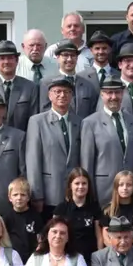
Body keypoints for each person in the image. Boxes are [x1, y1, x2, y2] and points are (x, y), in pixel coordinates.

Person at [80, 75, 133, 209]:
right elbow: (87, 162)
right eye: (109, 93)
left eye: (117, 92)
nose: (113, 97)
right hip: (104, 191)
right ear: (102, 95)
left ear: (123, 93)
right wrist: (89, 194)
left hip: (130, 192)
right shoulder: (90, 123)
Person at [25, 74, 84, 207]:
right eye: (57, 91)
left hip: (75, 194)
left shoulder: (80, 122)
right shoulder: (37, 122)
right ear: (49, 95)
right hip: (49, 193)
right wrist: (36, 194)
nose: (62, 95)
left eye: (67, 92)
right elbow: (33, 160)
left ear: (72, 96)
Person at [0, 40, 40, 131]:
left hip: (21, 138)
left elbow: (33, 122)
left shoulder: (30, 87)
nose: (6, 61)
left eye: (10, 58)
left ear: (17, 61)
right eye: (2, 58)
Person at [54, 168, 102, 258]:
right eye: (77, 183)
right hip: (67, 256)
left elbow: (99, 236)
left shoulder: (94, 207)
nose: (81, 186)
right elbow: (54, 235)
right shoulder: (61, 209)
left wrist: (100, 258)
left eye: (84, 183)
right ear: (70, 185)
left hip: (90, 257)